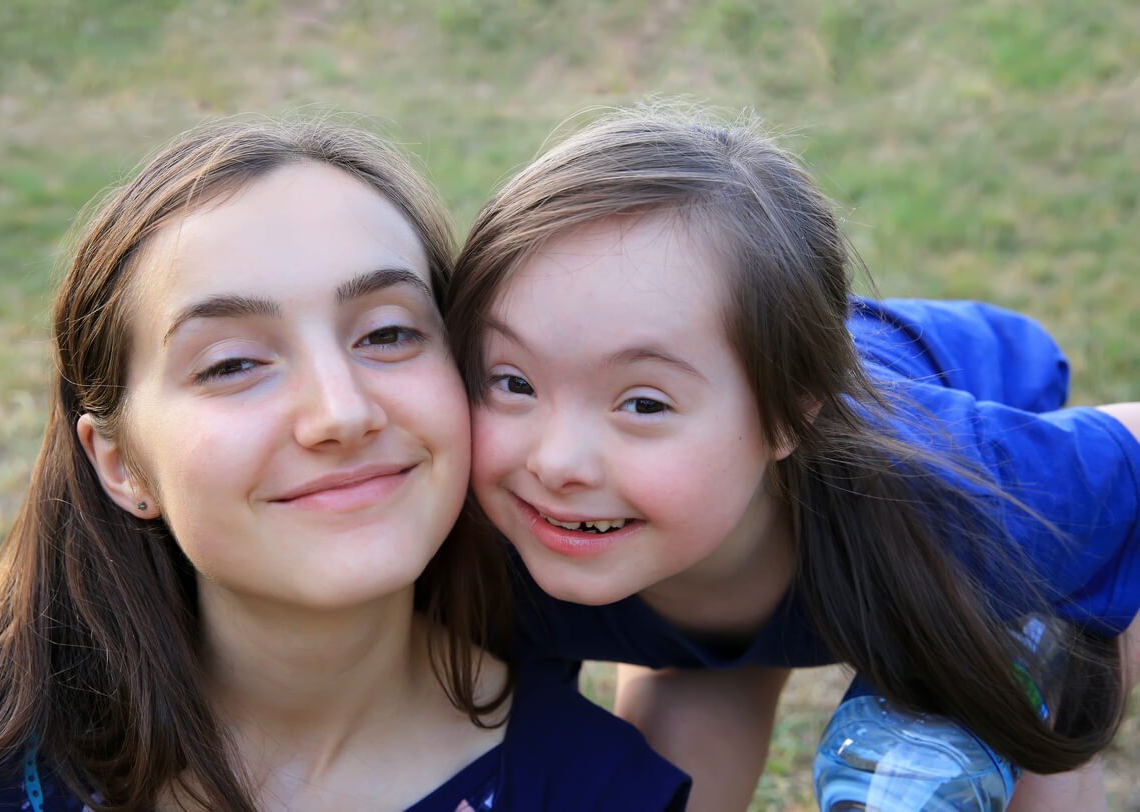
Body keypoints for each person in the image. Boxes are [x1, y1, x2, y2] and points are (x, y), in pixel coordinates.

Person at [0, 119, 691, 811]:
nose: (342, 413)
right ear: (121, 466)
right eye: (232, 364)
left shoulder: (601, 792)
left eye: (388, 333)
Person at [445, 103, 1140, 810]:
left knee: (940, 767)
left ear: (789, 415)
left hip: (972, 510)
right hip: (711, 576)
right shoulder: (471, 542)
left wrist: (1072, 684)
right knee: (666, 756)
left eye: (643, 404)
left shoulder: (940, 489)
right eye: (514, 382)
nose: (558, 462)